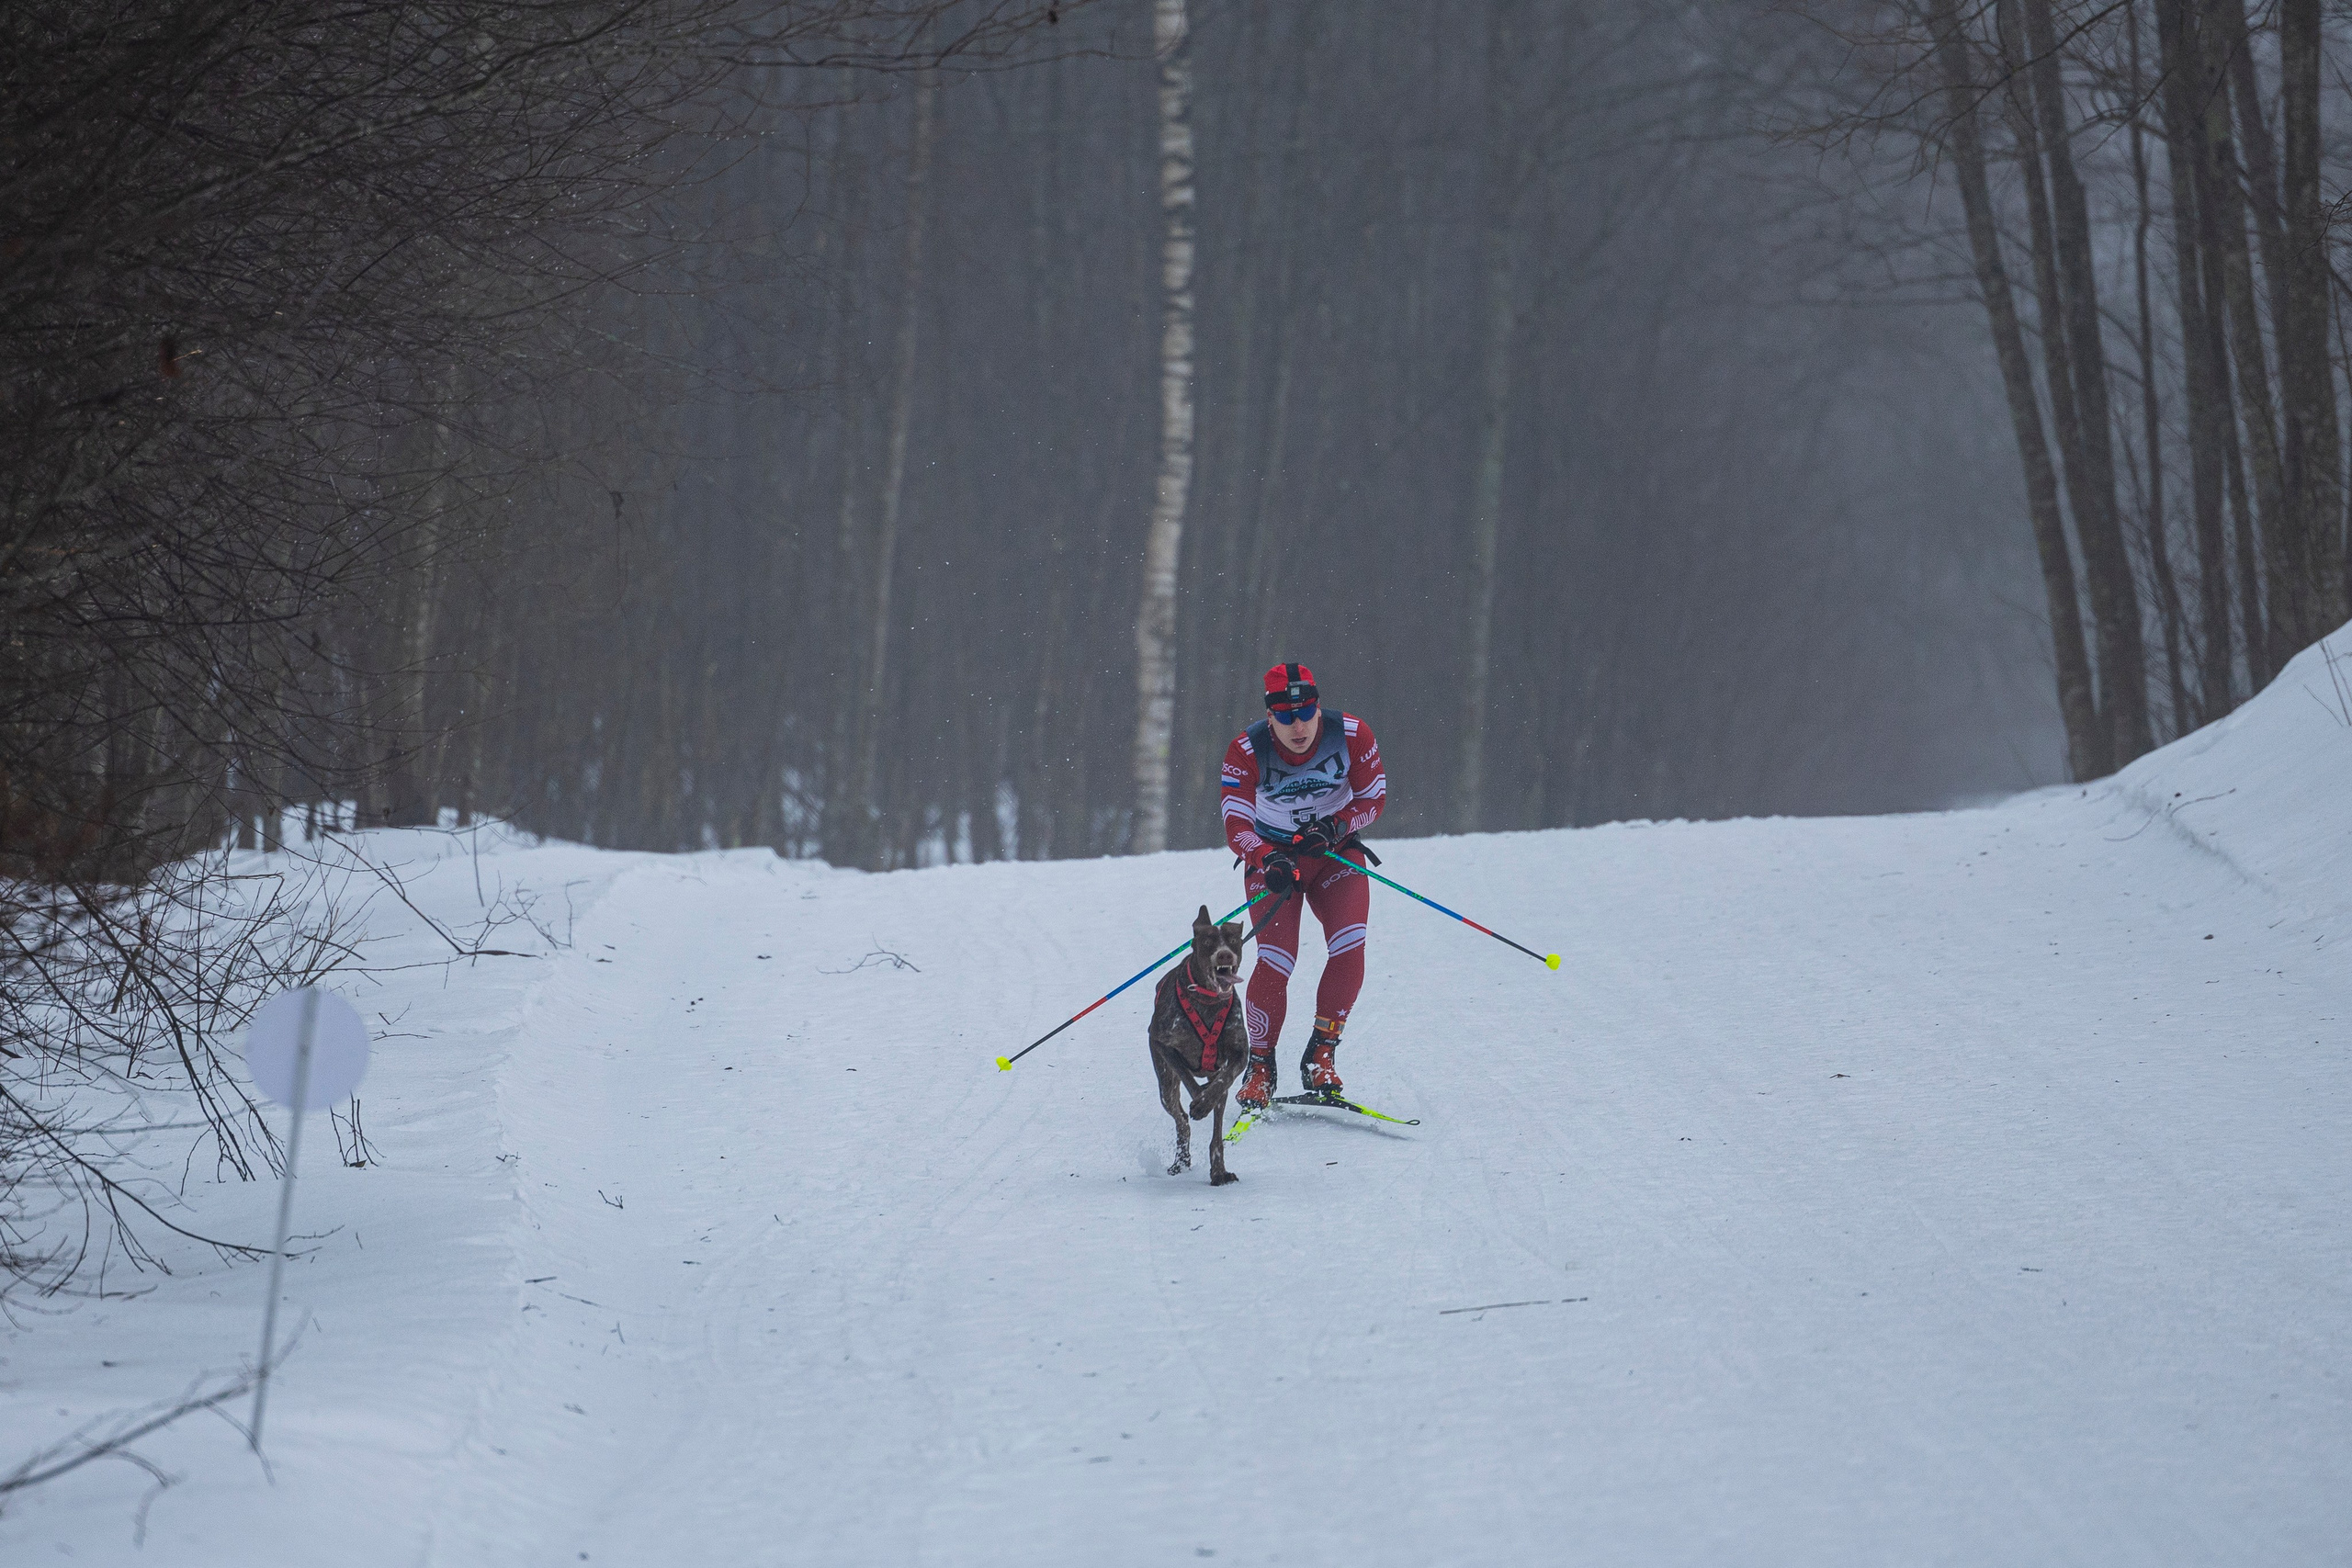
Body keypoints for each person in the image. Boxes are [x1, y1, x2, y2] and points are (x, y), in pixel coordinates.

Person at [1219, 661, 1387, 1108]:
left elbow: (1374, 798)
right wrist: (1264, 856)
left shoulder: (1351, 734)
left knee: (1350, 945)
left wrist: (1336, 826)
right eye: (1285, 715)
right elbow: (1235, 823)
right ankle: (1260, 1065)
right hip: (1275, 863)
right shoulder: (1246, 749)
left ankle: (1321, 1055)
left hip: (1332, 853)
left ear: (1318, 707)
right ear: (1270, 715)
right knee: (1277, 959)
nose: (1298, 726)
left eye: (1306, 712)